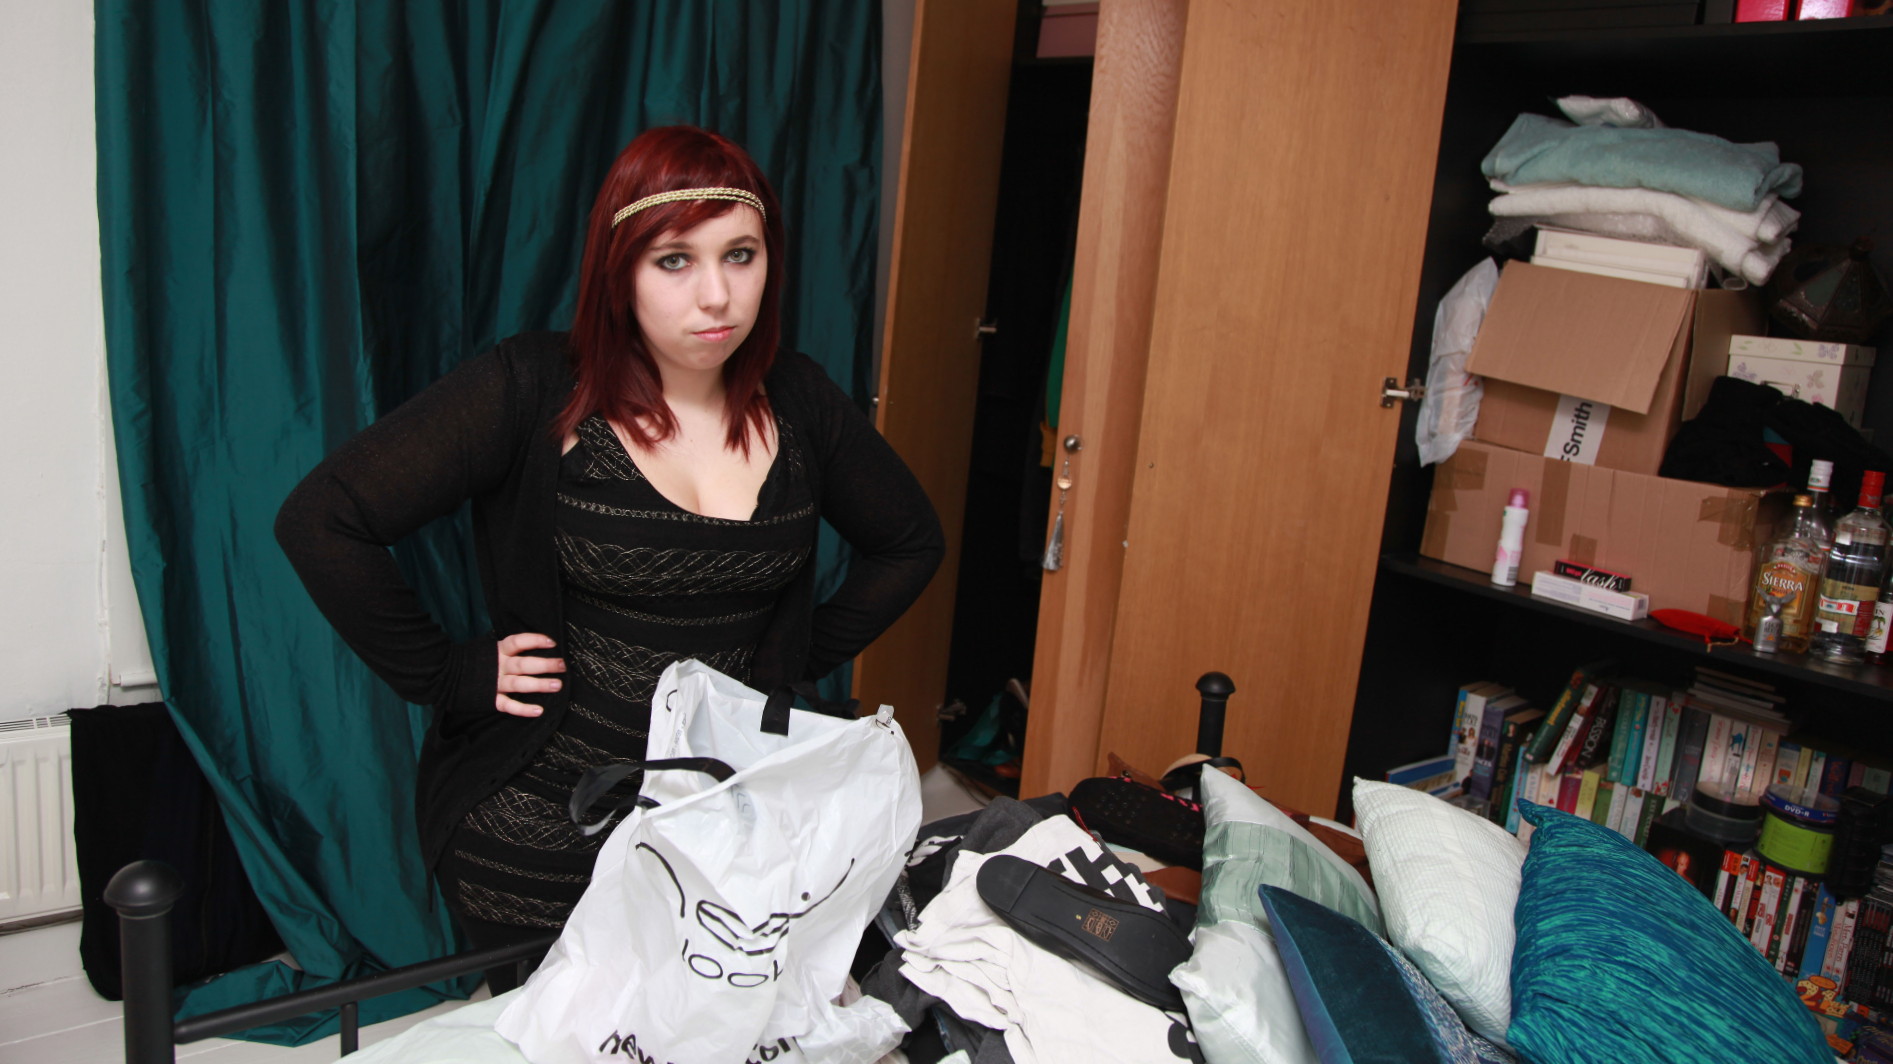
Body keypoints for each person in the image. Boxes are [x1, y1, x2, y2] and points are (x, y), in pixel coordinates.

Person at [276, 126, 944, 990]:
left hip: (725, 819)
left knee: (726, 1023)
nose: (716, 295)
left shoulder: (799, 398)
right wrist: (447, 673)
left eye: (740, 256)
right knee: (573, 1031)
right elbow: (322, 519)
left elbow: (909, 542)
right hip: (543, 820)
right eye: (675, 261)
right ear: (618, 270)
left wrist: (788, 660)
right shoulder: (530, 388)